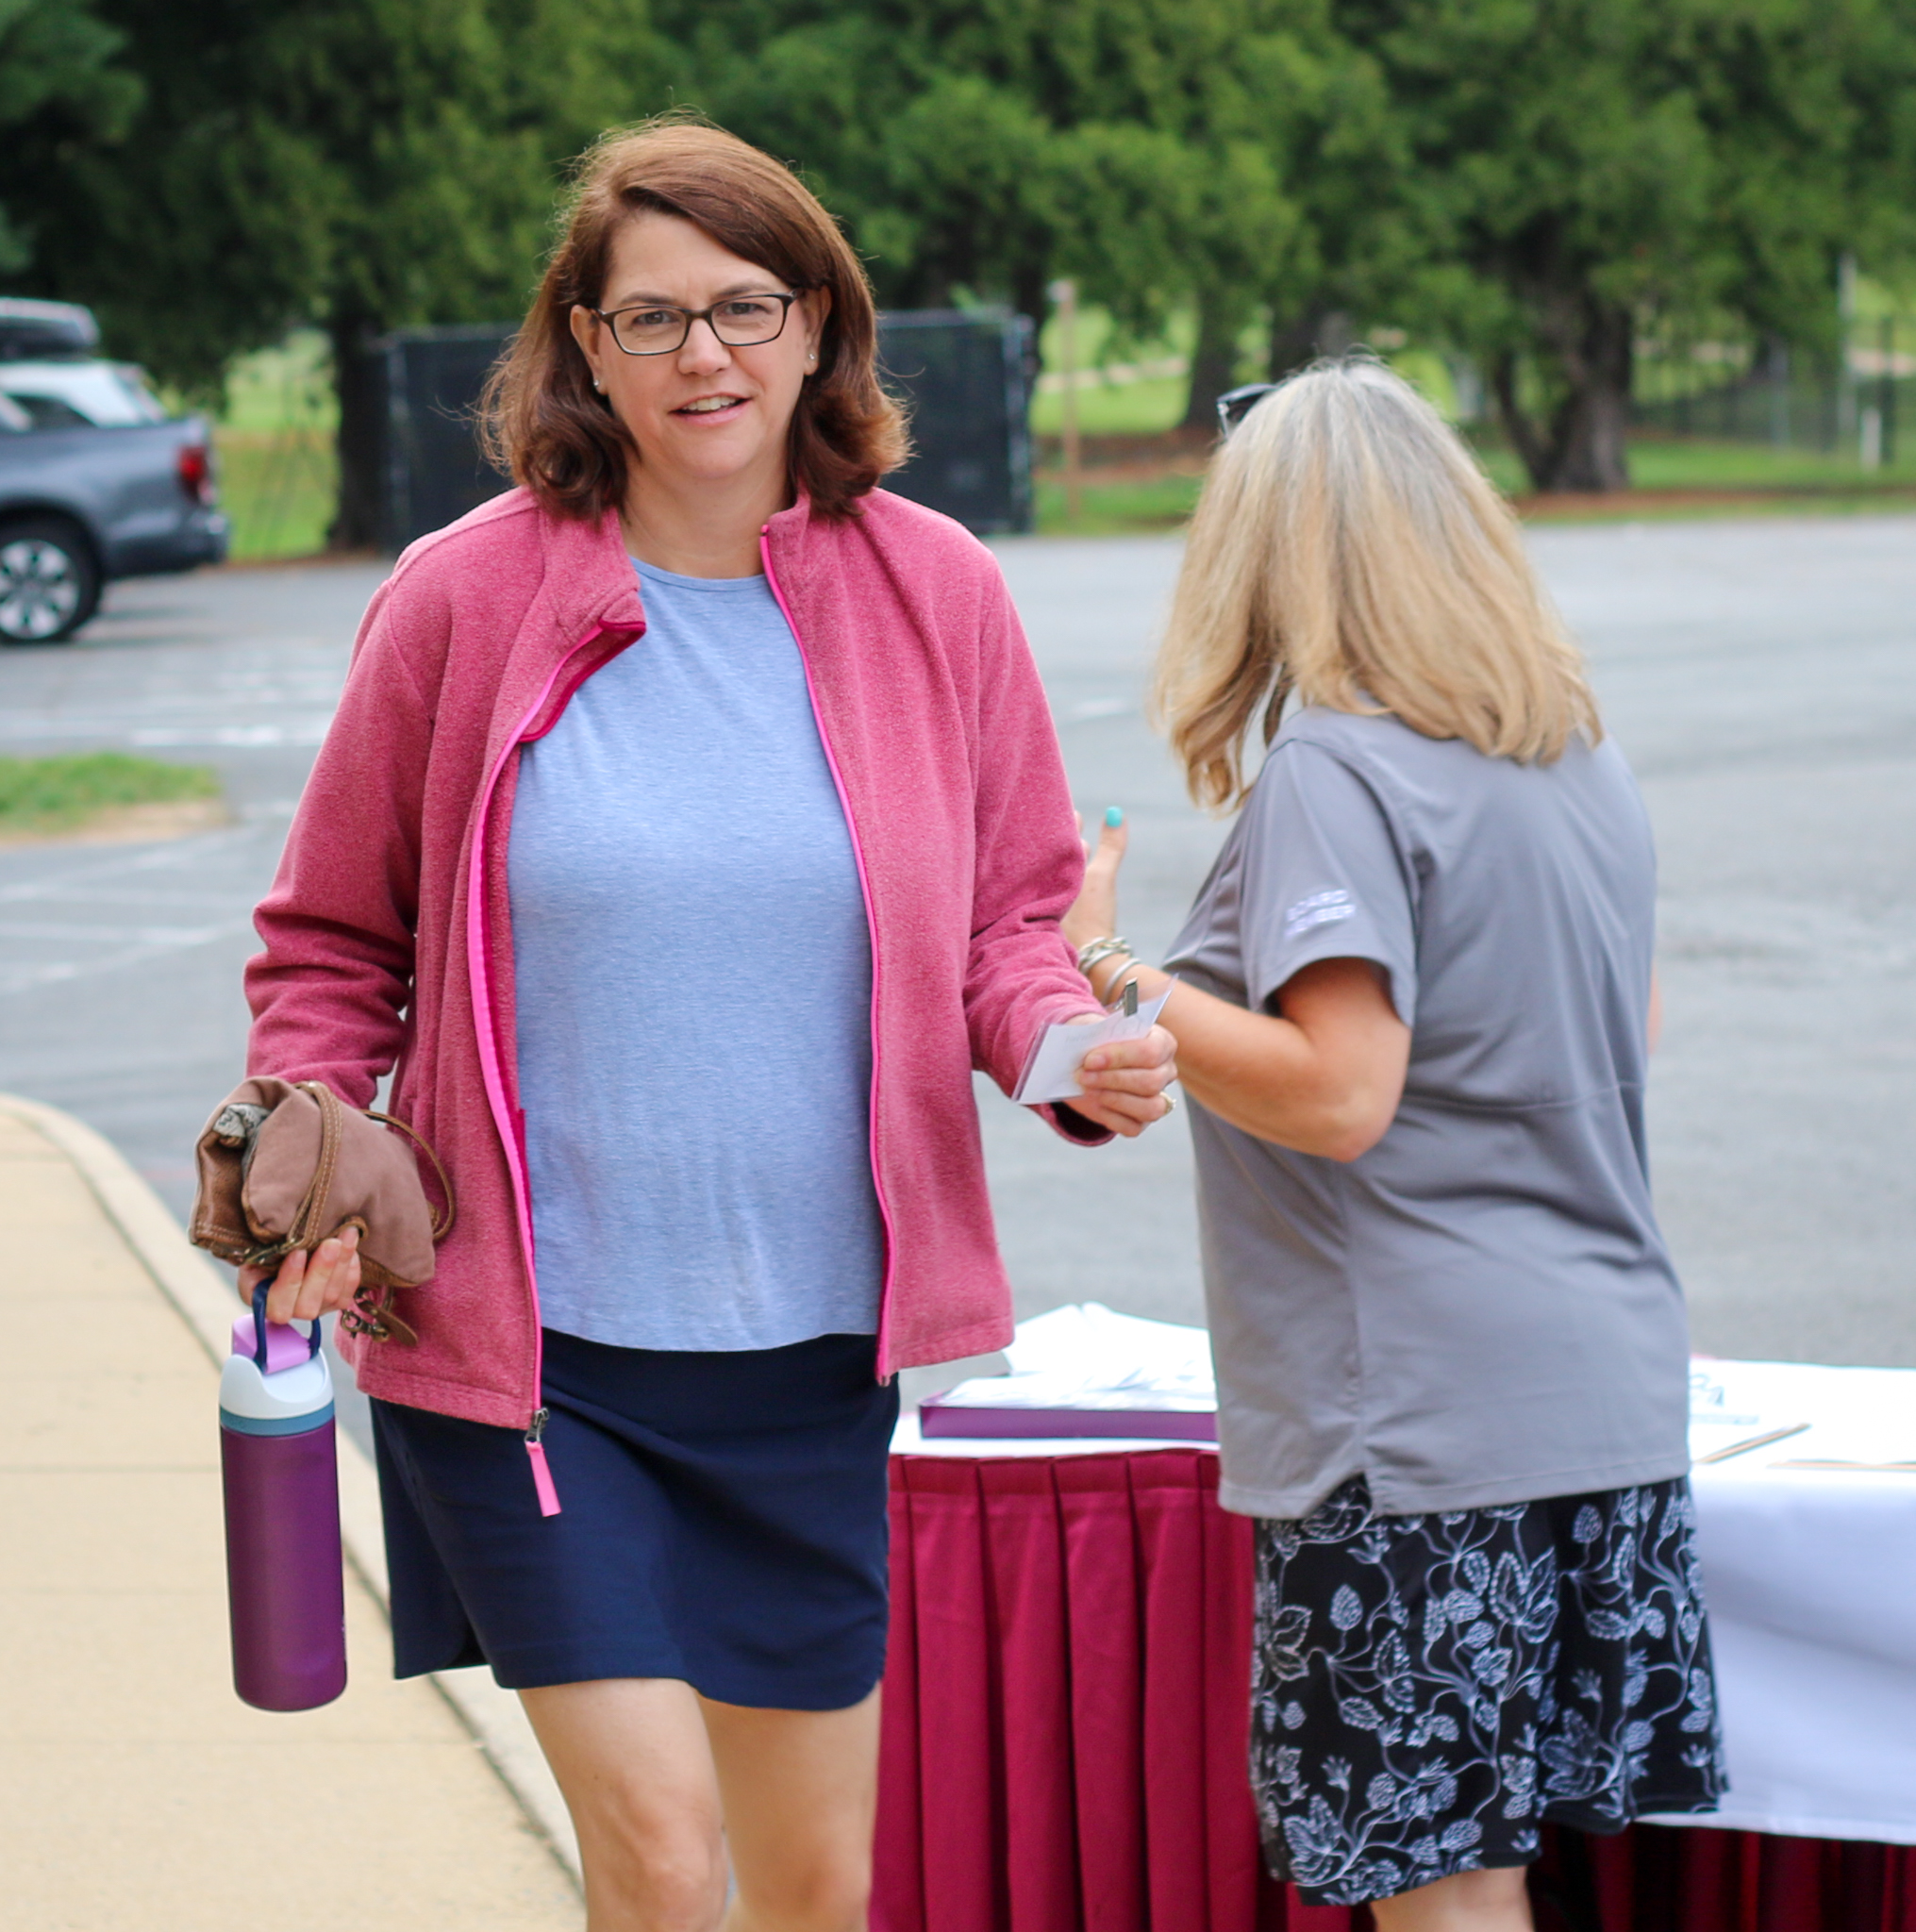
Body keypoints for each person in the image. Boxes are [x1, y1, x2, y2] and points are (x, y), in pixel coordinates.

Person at [236, 116, 1175, 1932]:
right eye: (650, 318)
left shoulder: (937, 592)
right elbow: (331, 938)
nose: (705, 357)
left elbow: (1009, 919)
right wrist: (304, 1170)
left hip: (812, 1354)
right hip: (527, 1345)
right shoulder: (463, 598)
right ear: (583, 342)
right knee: (665, 1859)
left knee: (814, 1889)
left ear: (820, 327)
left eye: (746, 309)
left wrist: (1063, 1046)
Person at [1063, 358, 1723, 1928]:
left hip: (1417, 1433)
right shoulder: (1580, 760)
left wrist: (1111, 967)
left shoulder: (1336, 772)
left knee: (1444, 1904)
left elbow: (1343, 1092)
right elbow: (1615, 1044)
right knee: (1498, 1882)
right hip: (1602, 1404)